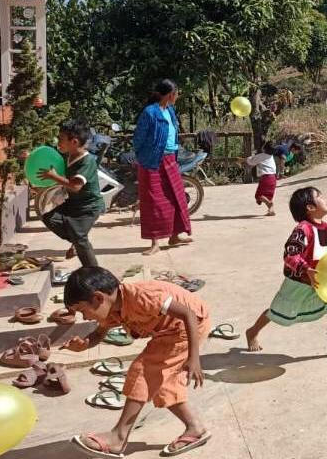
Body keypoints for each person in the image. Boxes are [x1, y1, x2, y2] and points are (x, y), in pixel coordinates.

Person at [63, 266, 211, 457]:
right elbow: (98, 334)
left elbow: (188, 314)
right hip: (168, 330)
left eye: (82, 310)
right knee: (161, 383)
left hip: (187, 326)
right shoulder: (112, 307)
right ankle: (195, 428)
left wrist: (194, 357)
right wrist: (84, 345)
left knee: (142, 370)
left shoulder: (143, 297)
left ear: (99, 298)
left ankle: (118, 436)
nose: (85, 317)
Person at [244, 187, 327, 361]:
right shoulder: (303, 229)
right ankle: (252, 331)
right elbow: (290, 254)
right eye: (320, 197)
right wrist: (305, 269)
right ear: (310, 207)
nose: (325, 199)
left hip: (320, 279)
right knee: (277, 310)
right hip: (299, 281)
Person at [133, 79, 192, 256]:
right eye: (176, 93)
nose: (177, 97)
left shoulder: (170, 111)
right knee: (154, 203)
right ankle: (154, 242)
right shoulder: (150, 113)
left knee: (176, 198)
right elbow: (138, 139)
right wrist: (144, 157)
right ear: (169, 95)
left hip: (170, 160)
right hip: (152, 162)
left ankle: (174, 236)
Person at [39, 120, 105, 267]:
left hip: (89, 207)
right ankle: (75, 241)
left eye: (61, 139)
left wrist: (53, 176)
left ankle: (94, 272)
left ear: (74, 142)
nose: (58, 142)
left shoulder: (87, 162)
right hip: (74, 203)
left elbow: (75, 186)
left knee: (80, 239)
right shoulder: (69, 154)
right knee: (50, 218)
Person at [246, 141, 277, 216]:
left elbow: (251, 161)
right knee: (268, 196)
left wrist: (247, 158)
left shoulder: (261, 155)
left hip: (266, 178)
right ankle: (271, 210)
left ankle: (269, 204)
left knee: (258, 195)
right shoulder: (271, 156)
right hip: (273, 177)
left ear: (264, 148)